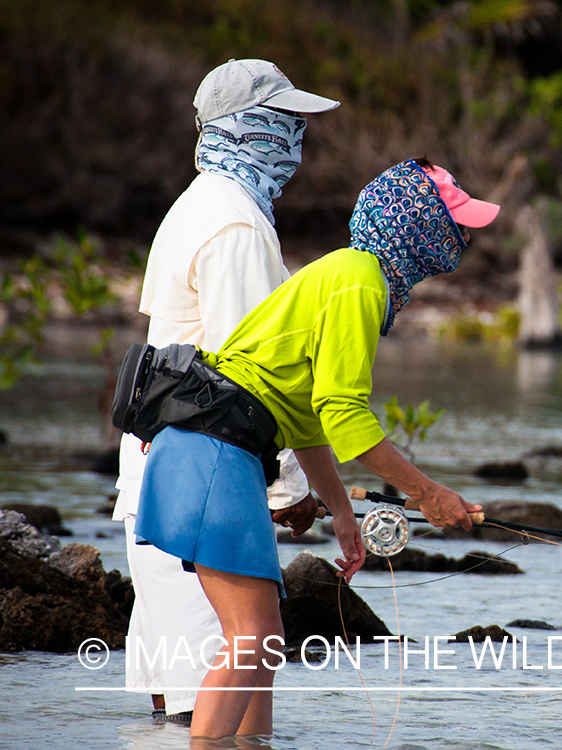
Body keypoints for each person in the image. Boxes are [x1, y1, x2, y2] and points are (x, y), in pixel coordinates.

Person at [133, 157, 499, 739]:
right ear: (417, 226)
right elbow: (345, 414)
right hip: (213, 453)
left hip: (205, 453)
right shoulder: (362, 280)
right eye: (453, 224)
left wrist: (344, 514)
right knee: (254, 638)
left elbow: (306, 417)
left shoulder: (346, 272)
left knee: (261, 641)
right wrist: (429, 494)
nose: (461, 239)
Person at [114, 59, 338, 722]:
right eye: (284, 122)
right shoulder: (237, 226)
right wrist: (291, 492)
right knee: (213, 712)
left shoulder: (197, 204)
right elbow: (256, 373)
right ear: (247, 128)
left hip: (158, 476)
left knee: (173, 710)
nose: (296, 139)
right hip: (204, 489)